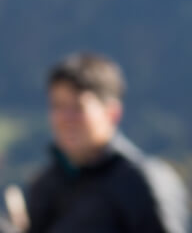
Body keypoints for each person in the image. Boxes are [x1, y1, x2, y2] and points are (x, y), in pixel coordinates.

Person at [21, 51, 187, 233]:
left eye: (78, 107)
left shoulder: (142, 182)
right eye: (58, 106)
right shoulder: (46, 184)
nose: (65, 118)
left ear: (112, 112)